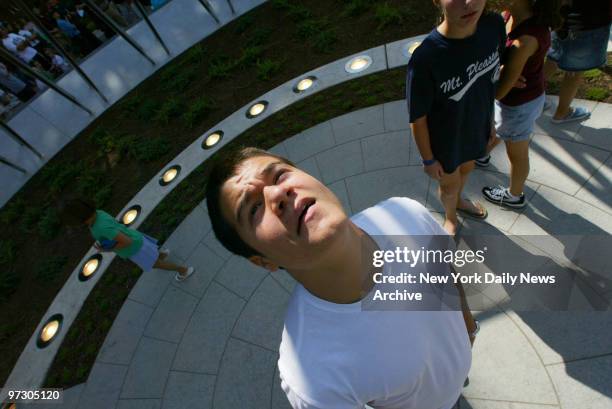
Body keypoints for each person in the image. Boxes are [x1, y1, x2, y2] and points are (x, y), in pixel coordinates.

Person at [205, 147, 478, 409]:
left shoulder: (406, 214)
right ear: (262, 260)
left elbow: (447, 273)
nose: (278, 193)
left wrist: (468, 328)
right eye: (253, 209)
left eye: (279, 175)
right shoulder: (312, 378)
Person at [406, 0, 506, 235]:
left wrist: (490, 121)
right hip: (445, 143)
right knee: (449, 185)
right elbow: (417, 119)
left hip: (476, 128)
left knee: (468, 168)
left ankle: (459, 200)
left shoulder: (493, 26)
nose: (469, 3)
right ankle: (450, 217)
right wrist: (429, 160)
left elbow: (489, 80)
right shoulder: (425, 60)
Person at [480, 0, 562, 208]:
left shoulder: (525, 40)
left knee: (517, 152)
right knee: (501, 128)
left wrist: (497, 76)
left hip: (518, 105)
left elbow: (500, 91)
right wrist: (502, 71)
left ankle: (514, 195)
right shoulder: (510, 15)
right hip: (520, 99)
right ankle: (482, 154)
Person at [60, 198, 195, 281]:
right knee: (151, 252)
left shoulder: (100, 228)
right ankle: (162, 254)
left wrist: (106, 248)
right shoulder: (99, 213)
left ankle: (182, 270)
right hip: (135, 237)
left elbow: (126, 242)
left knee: (154, 264)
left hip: (134, 248)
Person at [543, 0, 611, 123]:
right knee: (574, 72)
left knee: (552, 59)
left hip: (562, 20)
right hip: (585, 24)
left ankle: (533, 97)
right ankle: (562, 112)